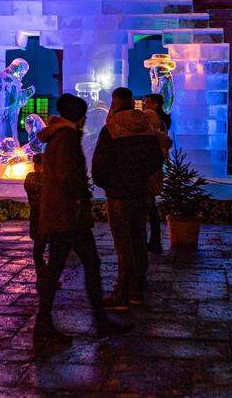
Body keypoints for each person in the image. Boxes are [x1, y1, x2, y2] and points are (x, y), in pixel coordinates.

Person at [34, 93, 130, 341]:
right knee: (84, 264)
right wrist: (80, 199)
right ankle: (91, 320)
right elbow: (68, 177)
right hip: (69, 216)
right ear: (79, 116)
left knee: (62, 267)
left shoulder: (58, 136)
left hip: (60, 214)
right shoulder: (67, 138)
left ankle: (49, 322)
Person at [92, 87, 164, 310]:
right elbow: (156, 159)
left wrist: (109, 183)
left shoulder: (111, 128)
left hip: (119, 194)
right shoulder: (146, 126)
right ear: (132, 102)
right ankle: (138, 287)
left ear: (114, 103)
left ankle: (123, 293)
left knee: (123, 244)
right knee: (139, 238)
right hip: (141, 192)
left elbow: (99, 164)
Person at [142, 94, 172, 254]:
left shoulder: (156, 122)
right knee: (151, 203)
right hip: (155, 165)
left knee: (149, 204)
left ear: (155, 104)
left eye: (146, 102)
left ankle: (154, 240)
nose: (144, 105)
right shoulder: (164, 119)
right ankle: (154, 239)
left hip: (151, 166)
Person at [24, 154, 46, 279]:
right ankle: (45, 274)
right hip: (44, 216)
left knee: (39, 246)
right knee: (41, 246)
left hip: (38, 215)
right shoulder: (49, 178)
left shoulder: (31, 178)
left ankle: (43, 273)